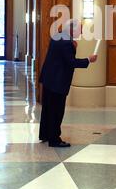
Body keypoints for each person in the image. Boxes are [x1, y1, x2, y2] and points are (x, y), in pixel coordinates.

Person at [39, 19, 97, 147]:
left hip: (49, 79)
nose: (81, 32)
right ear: (71, 29)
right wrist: (88, 60)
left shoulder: (58, 36)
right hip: (57, 81)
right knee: (57, 111)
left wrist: (73, 45)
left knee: (48, 109)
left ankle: (46, 134)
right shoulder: (66, 42)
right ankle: (54, 139)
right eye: (80, 29)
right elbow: (71, 62)